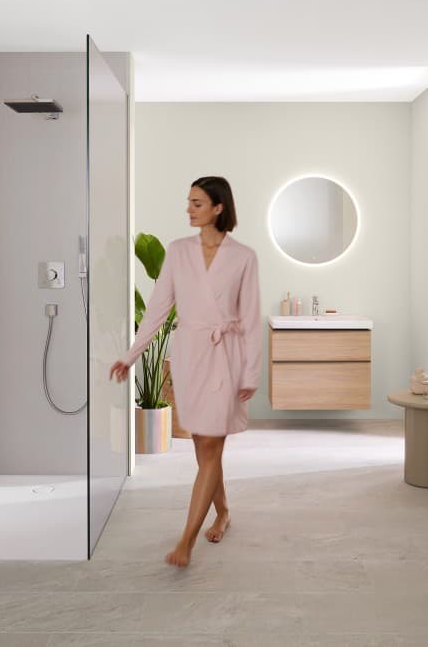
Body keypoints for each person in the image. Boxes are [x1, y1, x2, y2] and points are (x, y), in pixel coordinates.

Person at [109, 176, 262, 568]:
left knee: (211, 446)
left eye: (197, 203)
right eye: (189, 202)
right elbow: (158, 309)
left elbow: (249, 319)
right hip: (190, 355)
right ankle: (223, 512)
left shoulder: (244, 257)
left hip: (225, 357)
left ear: (218, 207)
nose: (189, 209)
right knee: (202, 446)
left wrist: (250, 373)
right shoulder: (178, 252)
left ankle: (186, 541)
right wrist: (130, 355)